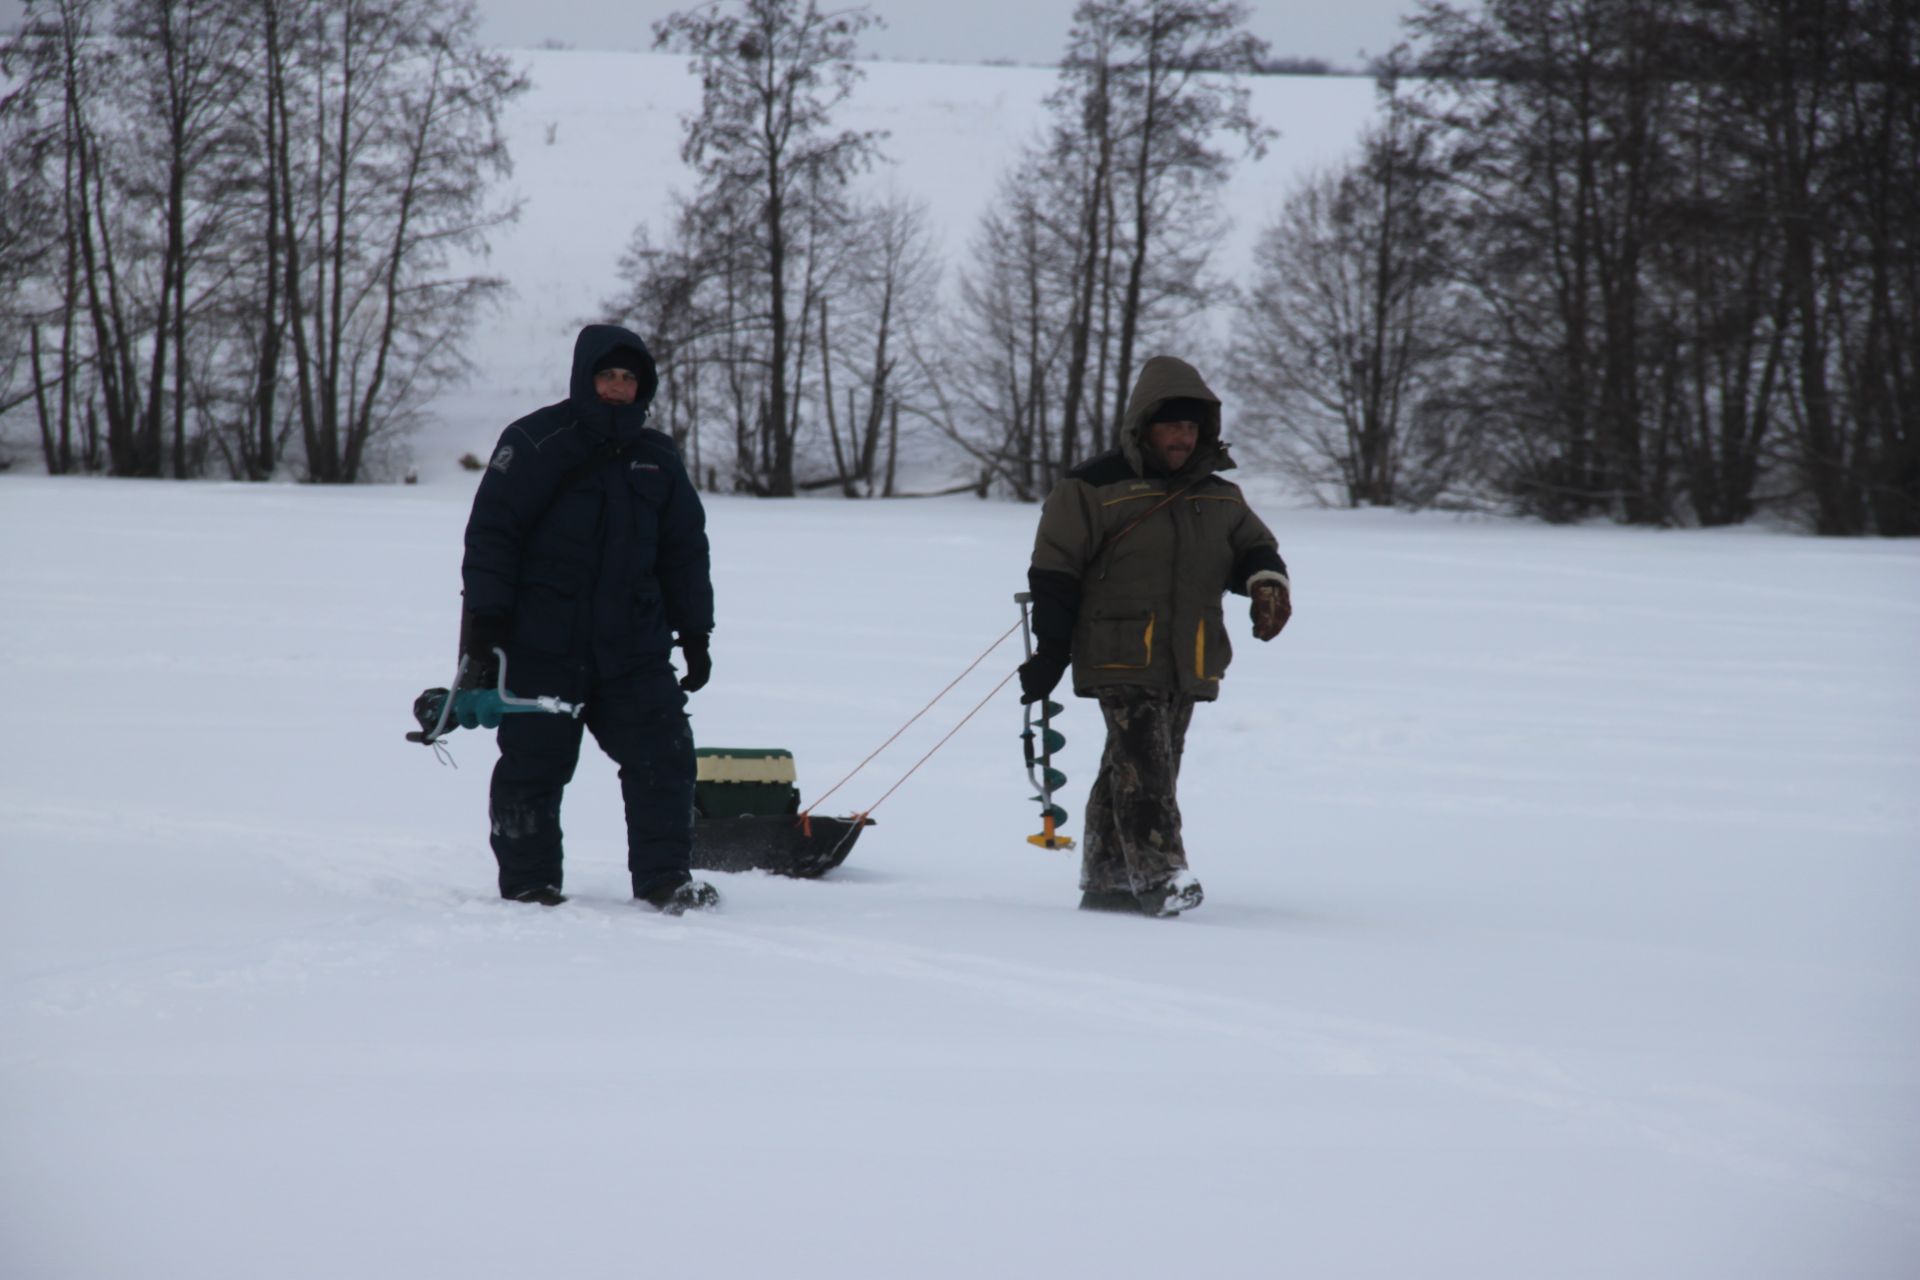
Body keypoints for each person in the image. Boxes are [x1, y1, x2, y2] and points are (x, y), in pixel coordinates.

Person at [458, 323, 718, 913]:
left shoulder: (658, 457)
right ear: (585, 377)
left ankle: (665, 879)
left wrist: (695, 631)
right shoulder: (534, 442)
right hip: (543, 644)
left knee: (665, 756)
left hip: (633, 648)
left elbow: (684, 550)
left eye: (630, 378)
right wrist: (489, 623)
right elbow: (492, 537)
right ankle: (529, 884)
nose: (618, 387)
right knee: (534, 766)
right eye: (608, 375)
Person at [1018, 356, 1291, 917]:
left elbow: (1254, 549)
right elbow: (1054, 571)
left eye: (1192, 427)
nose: (1183, 438)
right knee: (1145, 763)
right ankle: (1162, 876)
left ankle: (1108, 879)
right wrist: (1050, 651)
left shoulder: (1220, 496)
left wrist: (1266, 584)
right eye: (1172, 425)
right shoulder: (1091, 486)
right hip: (1118, 650)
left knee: (1134, 763)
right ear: (1143, 424)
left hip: (1189, 654)